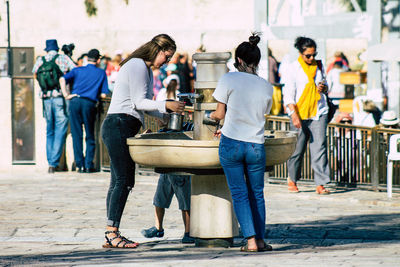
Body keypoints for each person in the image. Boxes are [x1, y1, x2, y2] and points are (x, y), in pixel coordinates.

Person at [100, 34, 185, 249]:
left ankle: (111, 231)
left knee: (118, 181)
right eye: (166, 56)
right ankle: (112, 232)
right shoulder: (137, 65)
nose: (166, 62)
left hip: (121, 124)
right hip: (119, 124)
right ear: (157, 49)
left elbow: (142, 104)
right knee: (124, 181)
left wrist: (167, 118)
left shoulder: (144, 68)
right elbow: (139, 102)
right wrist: (167, 105)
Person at [210, 33, 273, 252]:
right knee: (257, 193)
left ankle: (250, 241)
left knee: (239, 193)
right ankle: (262, 240)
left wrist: (210, 118)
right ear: (257, 61)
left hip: (232, 143)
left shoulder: (228, 79)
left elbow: (219, 113)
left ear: (238, 60)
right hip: (256, 145)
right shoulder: (266, 86)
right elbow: (261, 113)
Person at [282, 36, 331, 195]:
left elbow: (327, 85)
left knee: (320, 147)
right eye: (308, 55)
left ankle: (321, 183)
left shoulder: (320, 65)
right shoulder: (293, 68)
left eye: (313, 55)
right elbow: (288, 94)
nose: (311, 58)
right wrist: (293, 114)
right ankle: (292, 179)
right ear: (300, 53)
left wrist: (324, 88)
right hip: (299, 112)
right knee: (297, 149)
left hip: (318, 111)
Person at [59, 48, 109, 173]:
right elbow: (103, 94)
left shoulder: (77, 70)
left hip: (75, 101)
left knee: (77, 135)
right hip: (89, 103)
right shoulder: (101, 73)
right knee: (90, 135)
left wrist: (66, 94)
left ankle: (79, 165)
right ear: (98, 60)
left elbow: (62, 79)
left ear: (87, 59)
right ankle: (88, 165)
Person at [32, 39, 76, 173]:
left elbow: (34, 73)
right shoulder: (63, 58)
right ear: (57, 49)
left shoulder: (41, 60)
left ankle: (50, 161)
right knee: (60, 129)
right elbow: (75, 71)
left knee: (49, 130)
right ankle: (54, 162)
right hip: (59, 98)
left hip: (45, 98)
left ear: (47, 49)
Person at [141, 173, 194, 244]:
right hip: (165, 170)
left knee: (185, 202)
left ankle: (188, 232)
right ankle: (158, 228)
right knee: (159, 199)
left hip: (180, 171)